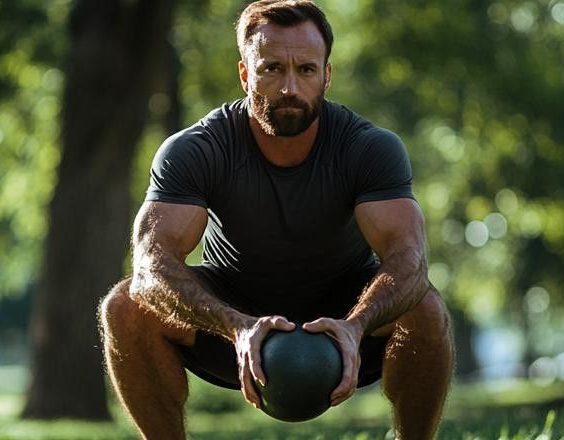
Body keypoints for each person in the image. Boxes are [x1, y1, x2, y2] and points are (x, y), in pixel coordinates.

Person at [99, 1, 453, 438]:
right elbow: (151, 267)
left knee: (426, 307)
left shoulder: (370, 148)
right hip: (231, 316)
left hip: (346, 318)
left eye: (305, 70)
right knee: (126, 306)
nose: (289, 87)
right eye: (271, 69)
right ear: (245, 74)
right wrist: (236, 326)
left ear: (326, 75)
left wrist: (357, 326)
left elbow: (409, 260)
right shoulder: (195, 149)